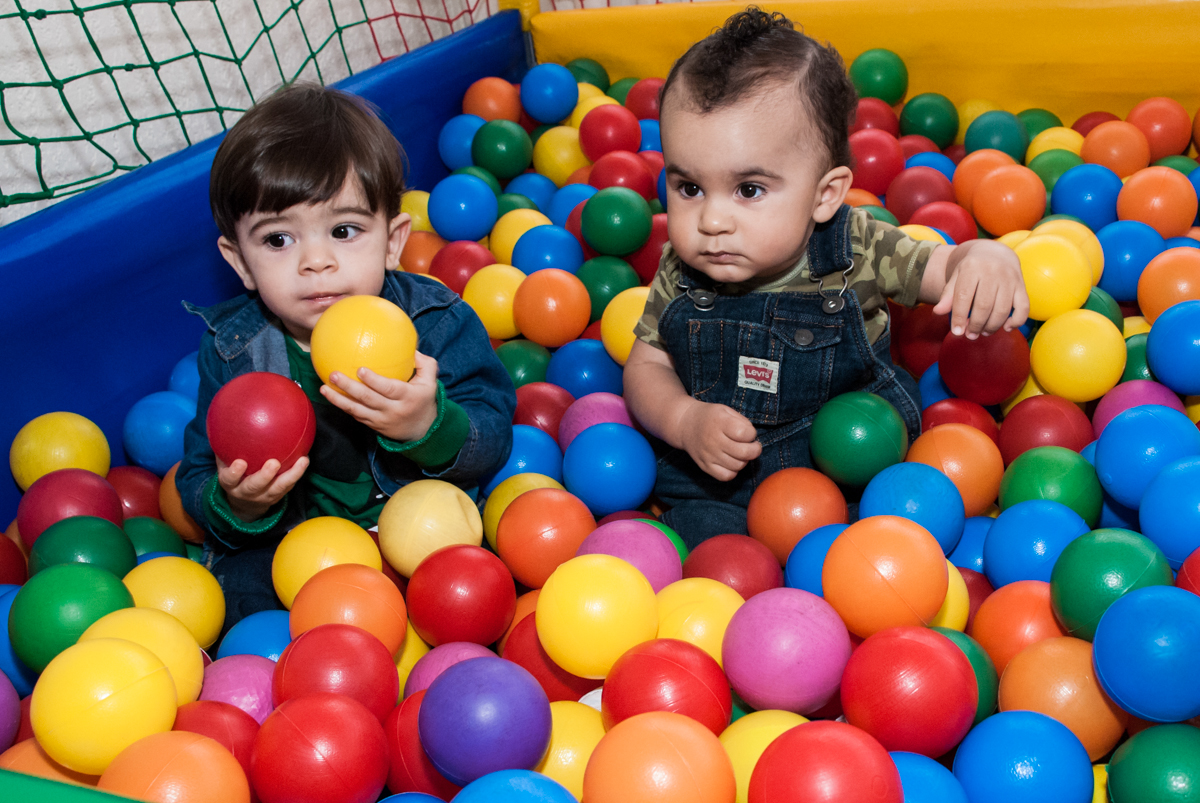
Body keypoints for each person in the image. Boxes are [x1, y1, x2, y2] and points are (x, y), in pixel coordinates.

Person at [624, 9, 1029, 548]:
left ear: (825, 195)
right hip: (718, 483)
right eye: (689, 187)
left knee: (894, 542)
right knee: (710, 563)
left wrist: (983, 256)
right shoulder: (681, 270)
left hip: (857, 470)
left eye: (748, 189)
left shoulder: (855, 247)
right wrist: (683, 420)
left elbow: (942, 268)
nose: (711, 221)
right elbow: (645, 366)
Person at [176, 84, 516, 630]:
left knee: (484, 583)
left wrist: (428, 423)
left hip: (425, 527)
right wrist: (240, 503)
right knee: (237, 597)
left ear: (392, 240)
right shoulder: (234, 350)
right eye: (278, 240)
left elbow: (495, 432)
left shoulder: (436, 322)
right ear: (239, 262)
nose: (316, 261)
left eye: (343, 231)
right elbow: (197, 476)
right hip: (299, 545)